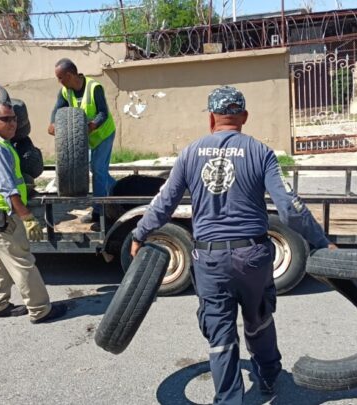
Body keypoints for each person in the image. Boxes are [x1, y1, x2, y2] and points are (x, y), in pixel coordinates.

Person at [130, 86, 336, 404]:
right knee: (259, 320)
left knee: (220, 332)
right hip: (253, 255)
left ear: (212, 118)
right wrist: (321, 242)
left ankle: (229, 399)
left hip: (209, 260)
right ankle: (268, 378)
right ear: (244, 116)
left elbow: (164, 202)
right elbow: (289, 208)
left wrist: (139, 233)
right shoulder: (262, 153)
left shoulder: (190, 153)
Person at [0, 101, 67, 324]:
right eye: (6, 119)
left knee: (1, 260)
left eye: (14, 118)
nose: (12, 123)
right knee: (22, 262)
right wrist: (26, 217)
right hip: (2, 216)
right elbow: (8, 188)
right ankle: (40, 309)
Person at [48, 58, 116, 230]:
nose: (59, 82)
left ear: (70, 75)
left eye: (61, 78)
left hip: (103, 133)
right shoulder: (65, 91)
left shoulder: (94, 87)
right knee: (93, 169)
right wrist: (53, 123)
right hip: (85, 137)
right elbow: (58, 109)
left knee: (98, 169)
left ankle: (99, 211)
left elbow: (103, 113)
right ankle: (118, 190)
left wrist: (91, 126)